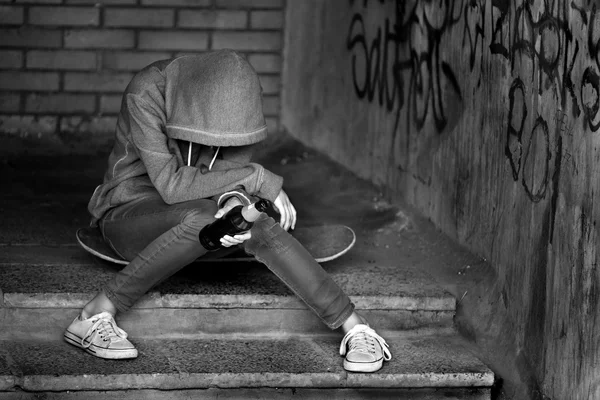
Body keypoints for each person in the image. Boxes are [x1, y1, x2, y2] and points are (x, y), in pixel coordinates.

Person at [63, 49, 391, 373]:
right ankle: (94, 312)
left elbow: (229, 180)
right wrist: (257, 178)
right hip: (130, 212)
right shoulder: (146, 92)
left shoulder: (241, 110)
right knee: (209, 219)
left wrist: (235, 202)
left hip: (197, 215)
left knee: (251, 221)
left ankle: (356, 327)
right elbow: (170, 185)